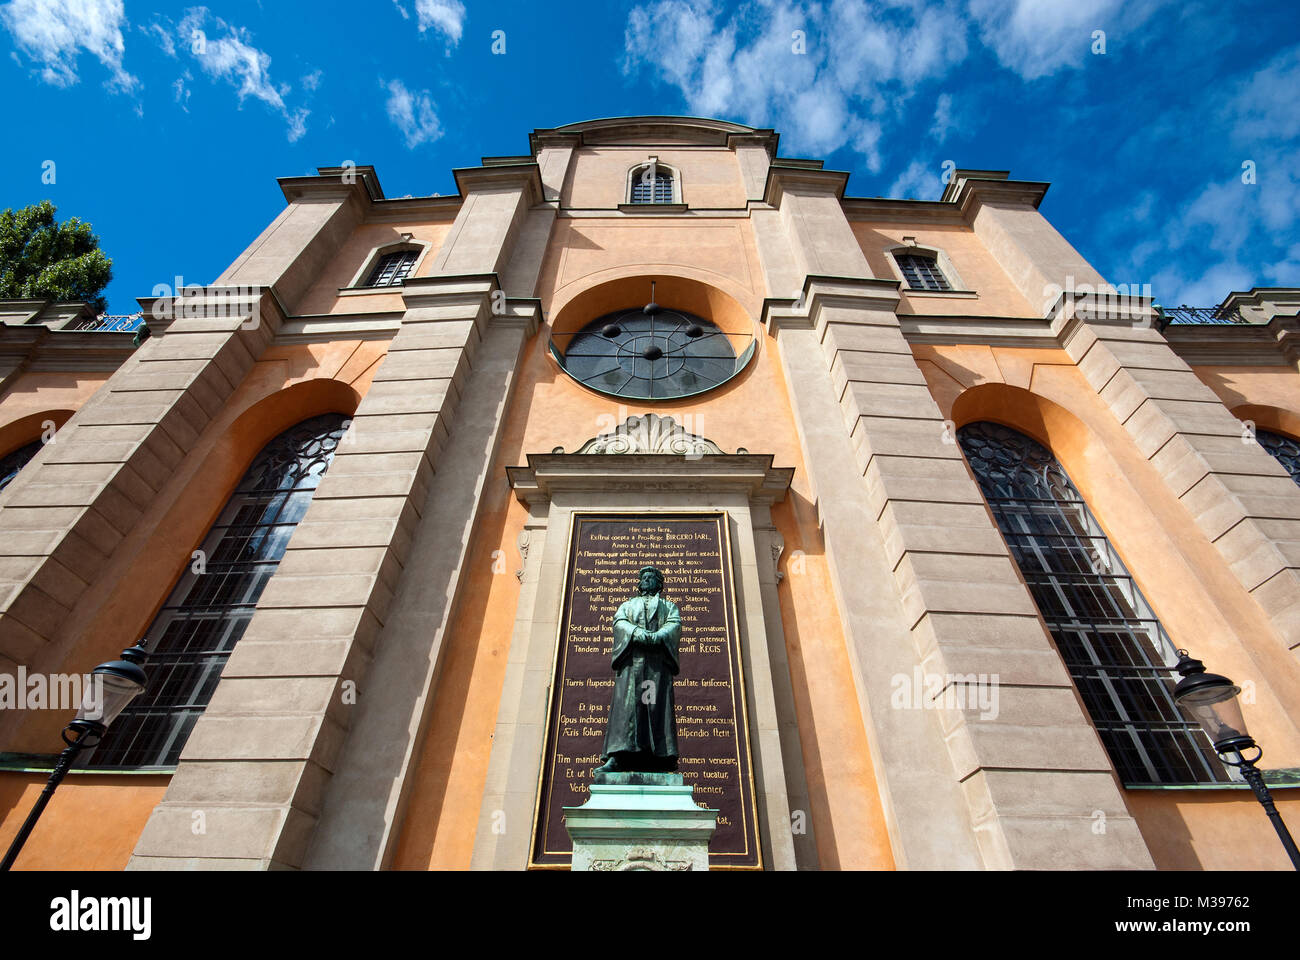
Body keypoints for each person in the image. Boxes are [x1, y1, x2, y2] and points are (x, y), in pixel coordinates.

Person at [593, 565, 680, 775]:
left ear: (659, 584)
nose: (647, 580)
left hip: (656, 668)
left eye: (651, 578)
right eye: (644, 578)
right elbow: (619, 622)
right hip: (632, 666)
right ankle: (618, 756)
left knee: (655, 708)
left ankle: (659, 758)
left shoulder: (669, 606)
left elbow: (674, 624)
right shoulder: (627, 605)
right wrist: (636, 632)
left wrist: (659, 636)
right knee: (626, 710)